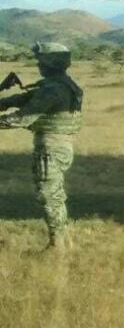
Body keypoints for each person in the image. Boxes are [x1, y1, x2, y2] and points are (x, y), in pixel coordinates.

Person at [0, 42, 84, 250]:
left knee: (49, 194)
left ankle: (58, 246)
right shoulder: (59, 84)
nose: (38, 64)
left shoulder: (54, 89)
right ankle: (64, 241)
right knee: (54, 193)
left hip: (51, 148)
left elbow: (23, 117)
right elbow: (23, 98)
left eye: (41, 60)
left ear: (50, 62)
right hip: (57, 146)